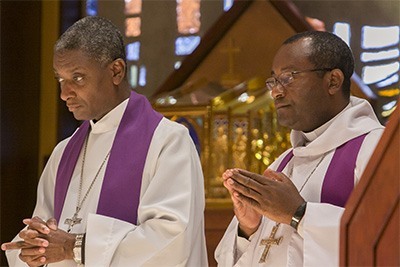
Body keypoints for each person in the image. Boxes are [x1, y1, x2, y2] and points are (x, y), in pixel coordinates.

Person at [1, 16, 208, 267]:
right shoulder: (63, 153)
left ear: (116, 71)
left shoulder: (168, 143)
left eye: (77, 78)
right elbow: (46, 234)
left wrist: (75, 247)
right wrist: (34, 252)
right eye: (60, 79)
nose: (64, 93)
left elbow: (171, 241)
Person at [215, 31, 385, 266]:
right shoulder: (284, 162)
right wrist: (249, 227)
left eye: (288, 77)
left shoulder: (377, 150)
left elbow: (386, 239)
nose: (276, 91)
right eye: (273, 80)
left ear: (333, 81)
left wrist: (299, 214)